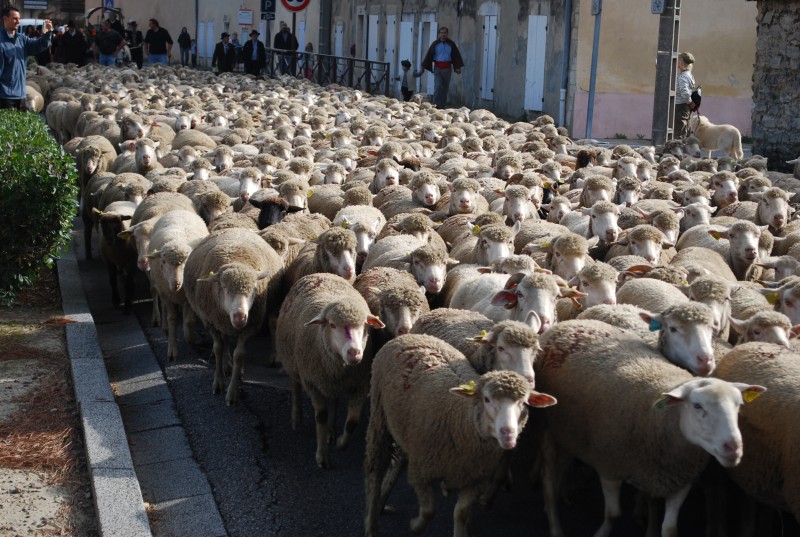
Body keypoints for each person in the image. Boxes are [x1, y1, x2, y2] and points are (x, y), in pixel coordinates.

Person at [0, 6, 52, 110]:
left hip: (20, 94)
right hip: (5, 96)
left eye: (19, 18)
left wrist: (47, 33)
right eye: (15, 18)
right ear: (5, 19)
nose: (18, 21)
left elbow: (39, 45)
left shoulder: (22, 39)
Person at [418, 26, 464, 109]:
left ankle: (442, 105)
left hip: (447, 68)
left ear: (447, 34)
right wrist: (422, 68)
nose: (443, 34)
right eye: (441, 33)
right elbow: (428, 56)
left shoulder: (451, 44)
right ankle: (436, 105)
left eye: (445, 33)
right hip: (438, 68)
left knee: (445, 88)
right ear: (439, 34)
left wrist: (457, 67)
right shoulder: (435, 44)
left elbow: (456, 56)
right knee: (438, 86)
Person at [674, 51, 697, 139]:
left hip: (680, 106)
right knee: (684, 129)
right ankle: (683, 147)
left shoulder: (683, 77)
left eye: (678, 60)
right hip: (684, 106)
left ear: (681, 62)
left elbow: (685, 92)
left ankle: (679, 150)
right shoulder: (689, 75)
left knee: (679, 131)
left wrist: (690, 102)